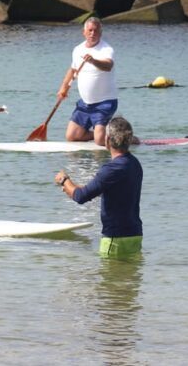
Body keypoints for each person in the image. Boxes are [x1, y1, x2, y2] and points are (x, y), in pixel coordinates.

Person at [54, 116, 143, 259]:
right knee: (130, 273)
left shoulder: (111, 169)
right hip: (135, 235)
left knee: (110, 274)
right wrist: (74, 187)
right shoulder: (134, 164)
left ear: (107, 140)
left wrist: (64, 180)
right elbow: (111, 191)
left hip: (115, 239)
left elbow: (80, 196)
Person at [57, 17, 118, 146]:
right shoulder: (78, 49)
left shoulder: (106, 49)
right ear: (84, 32)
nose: (92, 33)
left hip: (104, 103)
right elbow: (73, 69)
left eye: (96, 31)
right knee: (71, 136)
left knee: (100, 141)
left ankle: (127, 138)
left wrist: (93, 61)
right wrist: (64, 88)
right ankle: (102, 134)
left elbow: (108, 66)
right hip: (85, 104)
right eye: (90, 30)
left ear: (100, 33)